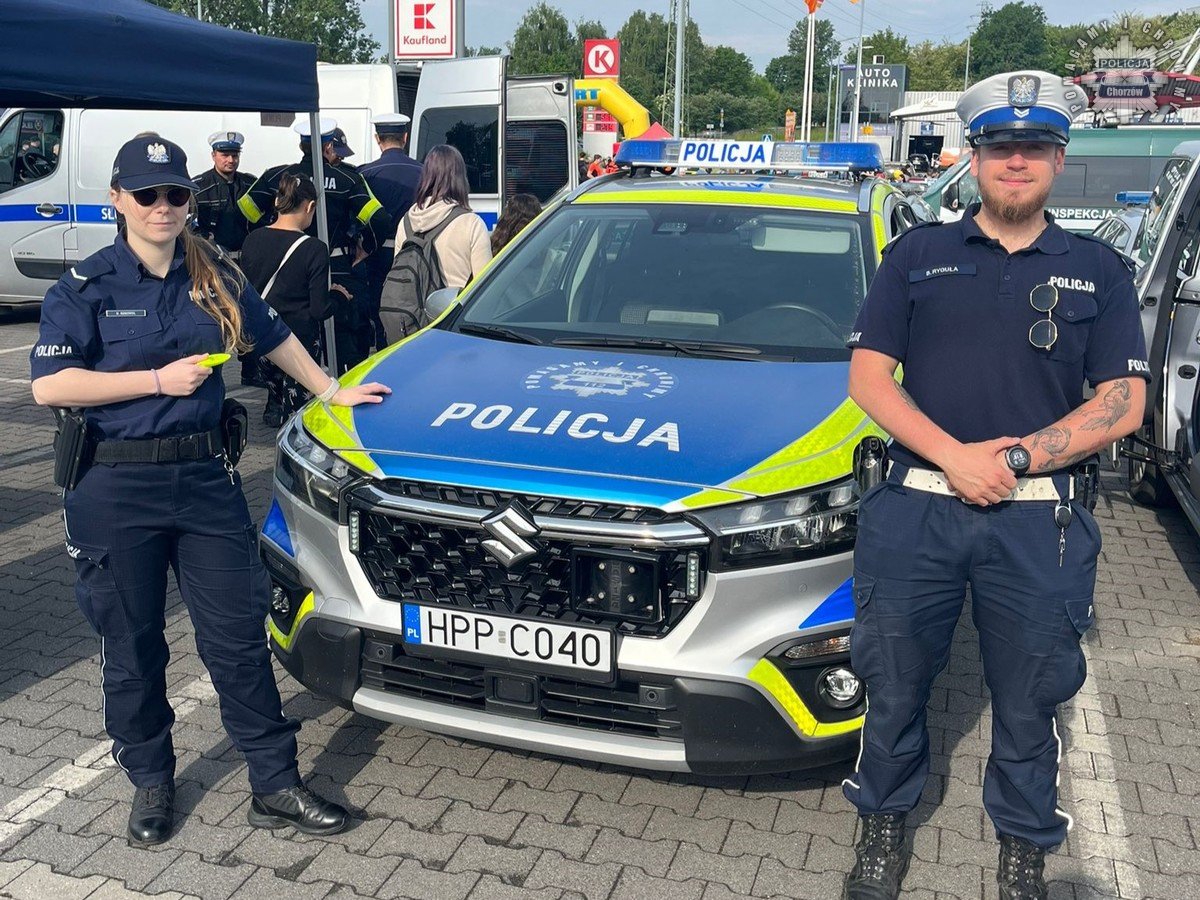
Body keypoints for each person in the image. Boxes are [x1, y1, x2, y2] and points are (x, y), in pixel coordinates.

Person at [29, 134, 391, 848]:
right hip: (113, 485)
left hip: (202, 482)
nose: (162, 207)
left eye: (174, 194)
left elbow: (272, 331)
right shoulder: (87, 287)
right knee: (132, 647)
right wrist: (155, 382)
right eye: (146, 195)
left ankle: (275, 784)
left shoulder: (214, 275)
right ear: (118, 203)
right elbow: (51, 385)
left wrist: (330, 389)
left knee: (236, 641)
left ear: (188, 201)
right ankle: (152, 780)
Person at [841, 71, 1146, 900]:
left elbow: (1122, 402)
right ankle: (882, 830)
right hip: (915, 512)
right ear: (973, 157)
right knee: (894, 684)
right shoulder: (918, 253)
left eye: (1035, 147)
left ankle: (1023, 850)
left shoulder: (1099, 269)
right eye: (1001, 147)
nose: (1017, 161)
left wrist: (1011, 462)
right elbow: (870, 378)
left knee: (1030, 696)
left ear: (1059, 158)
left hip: (1037, 522)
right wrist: (955, 456)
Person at [239, 118, 391, 374]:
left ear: (301, 145)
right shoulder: (348, 179)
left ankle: (281, 394)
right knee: (344, 332)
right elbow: (380, 219)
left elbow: (244, 211)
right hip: (337, 266)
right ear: (329, 145)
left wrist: (268, 234)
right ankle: (342, 380)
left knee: (287, 330)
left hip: (288, 266)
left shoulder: (276, 176)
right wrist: (366, 247)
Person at [239, 174, 331, 427]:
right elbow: (320, 308)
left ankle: (274, 409)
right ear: (310, 207)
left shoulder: (252, 239)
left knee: (278, 396)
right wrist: (339, 296)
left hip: (262, 340)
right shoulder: (314, 248)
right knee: (299, 417)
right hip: (298, 343)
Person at [380, 144, 491, 342]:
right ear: (460, 178)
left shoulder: (406, 222)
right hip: (455, 328)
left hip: (415, 329)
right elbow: (486, 290)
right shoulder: (471, 223)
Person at [192, 132, 262, 387]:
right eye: (225, 155)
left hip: (246, 262)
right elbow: (191, 229)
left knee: (250, 312)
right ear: (214, 156)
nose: (230, 160)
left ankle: (251, 369)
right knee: (216, 316)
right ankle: (214, 369)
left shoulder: (250, 185)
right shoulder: (200, 186)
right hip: (214, 263)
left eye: (234, 155)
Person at [358, 114, 423, 351]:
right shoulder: (424, 171)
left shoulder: (365, 174)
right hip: (415, 251)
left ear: (377, 139)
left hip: (376, 253)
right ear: (405, 138)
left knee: (380, 309)